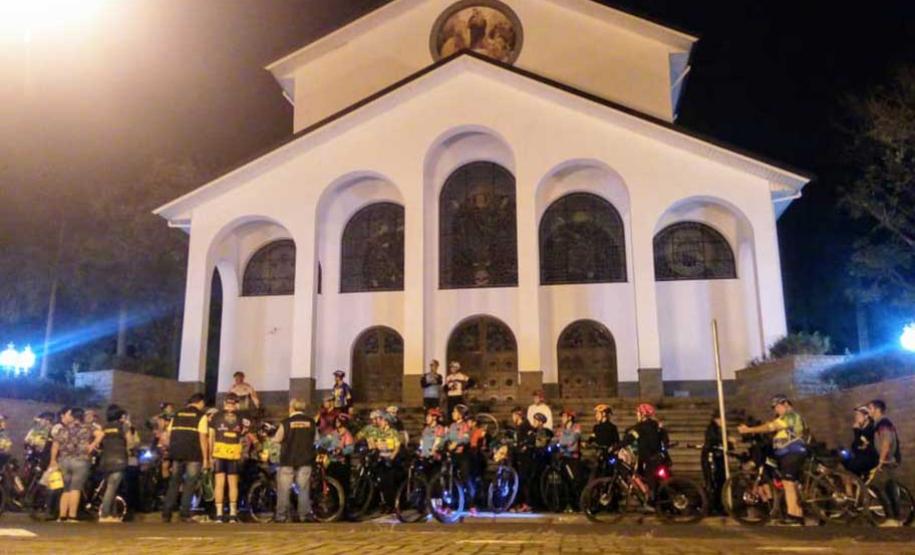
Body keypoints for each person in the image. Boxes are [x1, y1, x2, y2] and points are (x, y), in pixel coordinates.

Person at [738, 395, 808, 526]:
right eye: (775, 408)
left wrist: (749, 430)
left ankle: (793, 516)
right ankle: (798, 515)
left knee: (788, 483)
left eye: (777, 407)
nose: (776, 411)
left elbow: (771, 427)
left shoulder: (791, 415)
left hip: (792, 452)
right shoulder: (784, 417)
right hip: (787, 453)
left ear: (786, 404)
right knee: (790, 484)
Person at [162, 393, 210, 523]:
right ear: (200, 402)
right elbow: (203, 438)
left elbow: (168, 434)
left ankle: (166, 513)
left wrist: (168, 449)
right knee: (190, 484)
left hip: (177, 453)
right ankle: (184, 513)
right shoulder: (201, 416)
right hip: (193, 454)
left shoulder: (177, 414)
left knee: (174, 482)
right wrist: (206, 459)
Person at [49, 407, 103, 522]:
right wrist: (92, 445)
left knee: (66, 489)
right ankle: (72, 516)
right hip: (80, 460)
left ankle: (62, 516)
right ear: (82, 416)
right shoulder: (88, 428)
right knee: (76, 488)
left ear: (72, 416)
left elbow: (55, 444)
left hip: (64, 460)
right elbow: (101, 434)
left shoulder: (64, 429)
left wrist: (53, 460)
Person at [274, 398, 316, 523]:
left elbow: (277, 440)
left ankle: (282, 516)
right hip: (305, 459)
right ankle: (304, 515)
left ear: (291, 407)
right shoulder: (311, 422)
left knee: (284, 489)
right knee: (303, 488)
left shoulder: (286, 423)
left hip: (287, 459)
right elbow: (316, 439)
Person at [867, 399, 903, 526]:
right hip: (889, 460)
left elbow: (886, 443)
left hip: (888, 461)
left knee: (879, 486)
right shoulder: (880, 423)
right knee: (890, 488)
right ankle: (896, 519)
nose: (868, 411)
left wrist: (881, 461)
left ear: (877, 409)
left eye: (870, 408)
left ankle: (891, 518)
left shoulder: (883, 423)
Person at [210, 394, 244, 523]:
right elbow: (211, 437)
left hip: (230, 453)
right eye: (229, 404)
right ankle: (222, 513)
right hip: (222, 453)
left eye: (232, 404)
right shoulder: (217, 417)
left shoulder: (239, 419)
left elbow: (243, 438)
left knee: (230, 483)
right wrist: (209, 455)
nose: (230, 406)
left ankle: (231, 513)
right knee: (222, 483)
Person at [623, 403, 670, 495]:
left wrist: (615, 447)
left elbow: (629, 439)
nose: (637, 415)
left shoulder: (640, 427)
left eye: (638, 413)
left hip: (648, 459)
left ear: (643, 414)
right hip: (660, 457)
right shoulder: (657, 426)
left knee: (643, 478)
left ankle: (651, 497)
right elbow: (665, 440)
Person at [98, 405, 131, 523]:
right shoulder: (123, 426)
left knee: (111, 488)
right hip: (119, 460)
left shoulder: (105, 427)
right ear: (120, 416)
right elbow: (131, 443)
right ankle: (104, 514)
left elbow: (98, 441)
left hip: (105, 460)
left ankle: (113, 514)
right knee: (112, 488)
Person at [701, 410, 728, 515]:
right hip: (711, 458)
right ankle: (713, 507)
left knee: (720, 482)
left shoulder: (719, 429)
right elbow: (713, 440)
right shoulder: (712, 429)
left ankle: (719, 505)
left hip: (718, 458)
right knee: (713, 483)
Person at [842, 406, 878, 479]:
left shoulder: (869, 429)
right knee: (842, 460)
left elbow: (858, 445)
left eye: (859, 415)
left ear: (866, 416)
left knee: (846, 470)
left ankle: (850, 490)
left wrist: (856, 431)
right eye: (856, 415)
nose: (856, 418)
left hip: (869, 459)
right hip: (863, 458)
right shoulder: (863, 429)